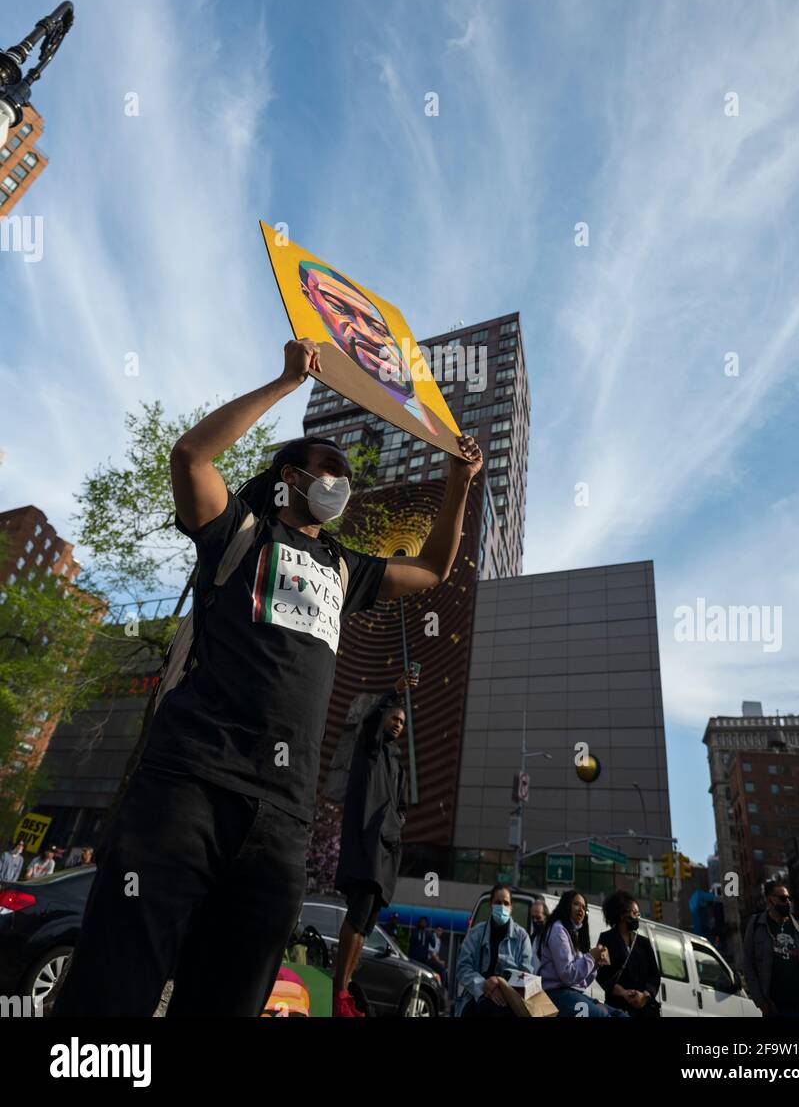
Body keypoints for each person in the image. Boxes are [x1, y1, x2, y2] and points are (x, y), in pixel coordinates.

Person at [52, 337, 483, 1018]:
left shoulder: (347, 570)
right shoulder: (240, 532)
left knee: (228, 1002)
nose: (341, 481)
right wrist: (286, 382)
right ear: (289, 478)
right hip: (185, 792)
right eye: (326, 467)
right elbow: (191, 457)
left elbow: (431, 568)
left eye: (346, 474)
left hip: (281, 823)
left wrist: (459, 480)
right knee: (112, 994)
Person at [331, 673, 414, 1017]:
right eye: (393, 718)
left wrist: (395, 825)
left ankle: (347, 988)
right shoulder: (370, 748)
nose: (397, 724)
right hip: (365, 846)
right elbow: (367, 722)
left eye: (401, 722)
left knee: (367, 923)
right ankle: (338, 993)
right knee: (358, 913)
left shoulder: (399, 766)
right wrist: (392, 692)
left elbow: (403, 807)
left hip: (386, 852)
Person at [742, 880, 799, 1019]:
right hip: (776, 1010)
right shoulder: (755, 926)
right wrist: (761, 1002)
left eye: (789, 898)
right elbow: (748, 966)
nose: (788, 902)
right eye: (783, 898)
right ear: (770, 900)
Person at [538, 889, 627, 1018]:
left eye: (584, 907)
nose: (581, 909)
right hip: (556, 994)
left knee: (620, 1015)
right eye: (576, 904)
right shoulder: (558, 929)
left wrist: (596, 964)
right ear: (566, 905)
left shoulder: (575, 934)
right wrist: (592, 957)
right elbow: (567, 975)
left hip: (574, 994)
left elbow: (582, 981)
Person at [455, 884, 534, 1017]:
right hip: (477, 997)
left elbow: (526, 974)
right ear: (491, 905)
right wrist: (484, 985)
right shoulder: (475, 934)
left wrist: (500, 983)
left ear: (511, 908)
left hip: (509, 1001)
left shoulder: (522, 937)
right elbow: (463, 968)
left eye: (506, 903)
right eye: (498, 902)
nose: (502, 907)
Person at [596, 891, 661, 1017]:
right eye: (634, 913)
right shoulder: (606, 939)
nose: (637, 917)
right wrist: (623, 993)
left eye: (638, 914)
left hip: (644, 1010)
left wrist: (645, 995)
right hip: (617, 1008)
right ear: (622, 915)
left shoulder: (644, 942)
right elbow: (602, 975)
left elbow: (655, 975)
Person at [528, 897, 547, 969]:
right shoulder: (531, 939)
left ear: (546, 917)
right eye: (533, 918)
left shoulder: (552, 938)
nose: (535, 921)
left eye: (538, 918)